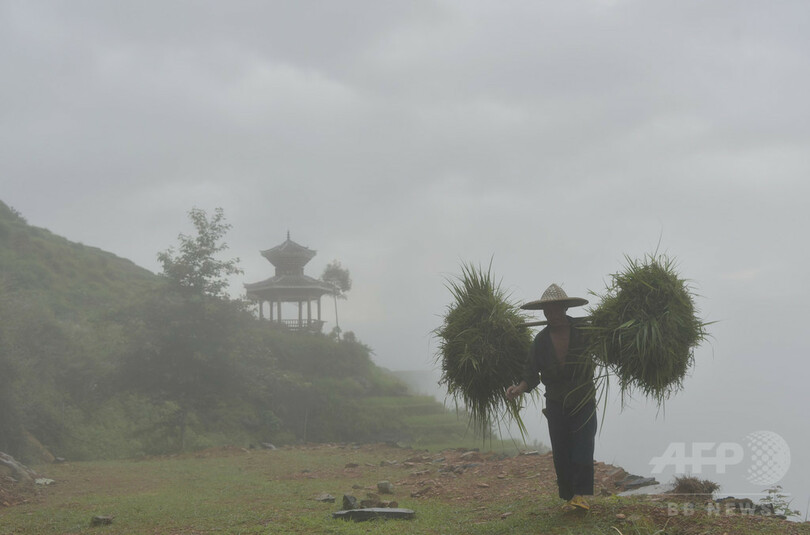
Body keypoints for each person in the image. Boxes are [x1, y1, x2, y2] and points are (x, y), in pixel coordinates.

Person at [506, 283, 597, 512]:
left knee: (583, 447)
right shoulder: (541, 341)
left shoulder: (585, 332)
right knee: (561, 451)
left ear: (565, 309)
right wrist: (519, 388)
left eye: (556, 310)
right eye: (547, 311)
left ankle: (580, 495)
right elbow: (531, 373)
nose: (551, 315)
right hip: (556, 403)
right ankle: (569, 495)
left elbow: (607, 347)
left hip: (584, 399)